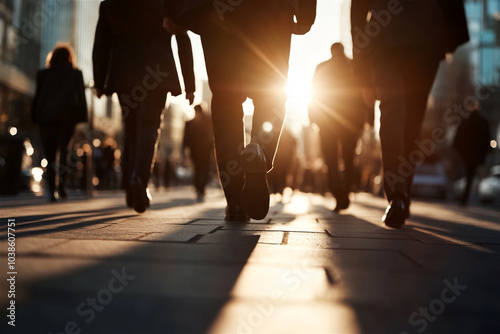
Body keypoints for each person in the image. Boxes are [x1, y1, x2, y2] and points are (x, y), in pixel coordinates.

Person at [163, 0, 317, 221]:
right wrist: (307, 14)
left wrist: (173, 11)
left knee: (226, 101)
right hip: (273, 12)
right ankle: (259, 152)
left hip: (217, 14)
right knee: (270, 93)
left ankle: (235, 201)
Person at [351, 0, 469, 227]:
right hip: (425, 38)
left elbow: (358, 7)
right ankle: (402, 193)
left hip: (386, 37)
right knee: (414, 117)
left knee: (392, 109)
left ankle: (398, 194)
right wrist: (450, 39)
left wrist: (360, 64)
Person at [93, 0, 195, 213]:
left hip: (125, 74)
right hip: (158, 72)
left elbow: (102, 44)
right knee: (149, 127)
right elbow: (182, 37)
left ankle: (131, 184)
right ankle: (138, 178)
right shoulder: (165, 3)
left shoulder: (111, 5)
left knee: (131, 127)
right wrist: (189, 84)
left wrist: (100, 80)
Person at [309, 43, 370, 212]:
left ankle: (338, 193)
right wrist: (368, 117)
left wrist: (313, 116)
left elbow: (314, 93)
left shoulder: (322, 67)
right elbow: (364, 93)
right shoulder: (354, 66)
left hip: (327, 121)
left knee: (331, 159)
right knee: (349, 159)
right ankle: (345, 191)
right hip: (351, 121)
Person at [31, 43, 88, 202]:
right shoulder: (75, 74)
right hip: (67, 118)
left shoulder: (43, 74)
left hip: (47, 118)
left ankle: (51, 190)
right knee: (64, 151)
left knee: (49, 154)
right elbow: (81, 98)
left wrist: (34, 116)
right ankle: (62, 186)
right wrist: (82, 117)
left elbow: (38, 97)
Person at [453, 105, 492, 206]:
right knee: (470, 175)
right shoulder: (483, 122)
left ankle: (464, 198)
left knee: (468, 175)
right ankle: (465, 197)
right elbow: (487, 139)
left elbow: (458, 137)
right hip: (476, 154)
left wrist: (457, 148)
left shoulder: (465, 122)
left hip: (466, 153)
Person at [183, 104, 214, 202]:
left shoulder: (190, 123)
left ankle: (199, 188)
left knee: (198, 169)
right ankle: (201, 188)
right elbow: (212, 136)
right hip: (205, 151)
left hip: (195, 151)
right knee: (204, 169)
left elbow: (186, 138)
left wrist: (183, 150)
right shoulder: (208, 121)